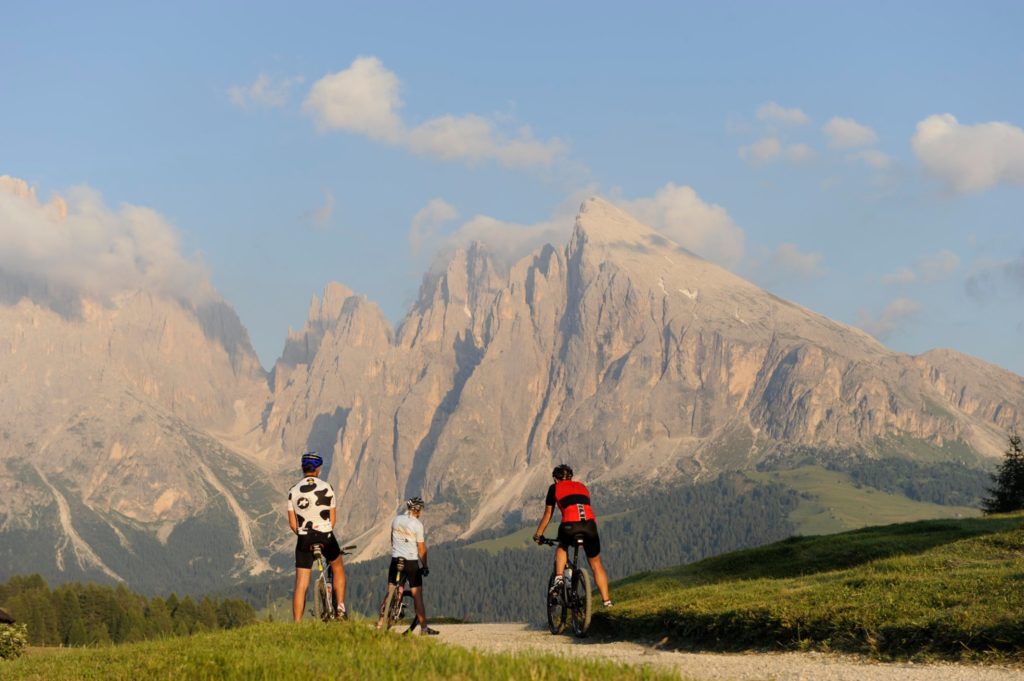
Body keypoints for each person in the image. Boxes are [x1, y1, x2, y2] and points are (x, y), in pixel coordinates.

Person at [533, 463, 613, 607]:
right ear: (571, 477)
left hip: (570, 525)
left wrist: (539, 534)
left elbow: (548, 514)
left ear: (555, 479)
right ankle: (607, 602)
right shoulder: (582, 486)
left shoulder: (554, 488)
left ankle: (558, 578)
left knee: (562, 546)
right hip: (590, 526)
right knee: (596, 564)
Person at [287, 451, 347, 621]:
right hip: (325, 535)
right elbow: (332, 520)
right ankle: (340, 608)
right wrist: (323, 532)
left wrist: (304, 535)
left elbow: (293, 524)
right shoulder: (327, 487)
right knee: (337, 567)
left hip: (304, 538)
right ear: (319, 469)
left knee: (301, 583)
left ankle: (297, 623)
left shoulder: (293, 491)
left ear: (302, 468)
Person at [377, 496, 438, 635]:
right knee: (417, 595)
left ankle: (380, 624)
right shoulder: (417, 525)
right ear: (418, 510)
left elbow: (392, 540)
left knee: (390, 592)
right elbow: (421, 549)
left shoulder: (396, 519)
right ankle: (424, 628)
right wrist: (425, 566)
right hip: (411, 563)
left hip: (395, 560)